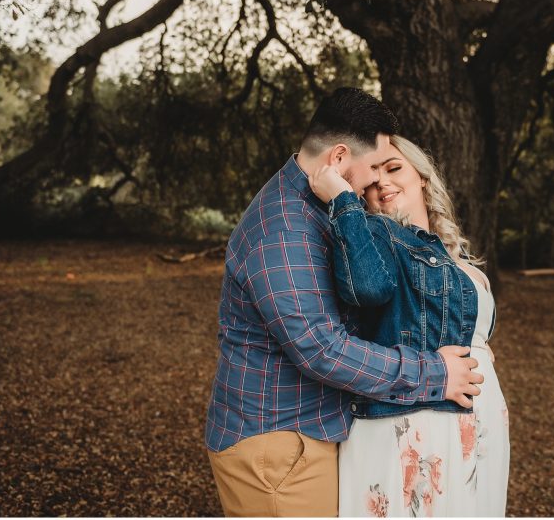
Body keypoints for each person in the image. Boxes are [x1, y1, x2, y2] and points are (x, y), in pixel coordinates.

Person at [205, 89, 485, 517]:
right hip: (276, 447)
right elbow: (321, 347)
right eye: (373, 167)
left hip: (308, 434)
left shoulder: (322, 210)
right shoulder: (285, 229)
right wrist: (434, 373)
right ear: (338, 159)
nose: (376, 181)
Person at [309, 135, 510, 517]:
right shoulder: (377, 240)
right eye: (370, 179)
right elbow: (366, 289)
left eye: (394, 168)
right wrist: (342, 200)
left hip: (481, 416)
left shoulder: (455, 253)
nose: (381, 181)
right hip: (417, 415)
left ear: (422, 177)